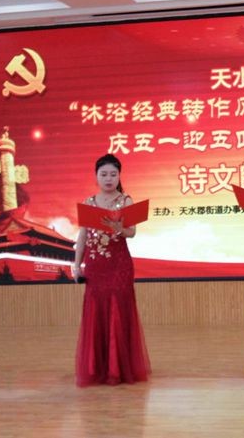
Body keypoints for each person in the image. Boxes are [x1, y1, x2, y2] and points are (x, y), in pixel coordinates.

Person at [72, 154, 150, 386]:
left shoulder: (125, 200)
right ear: (96, 176)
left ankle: (119, 367)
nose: (108, 178)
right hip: (95, 266)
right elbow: (83, 236)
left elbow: (132, 232)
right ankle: (97, 367)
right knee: (96, 311)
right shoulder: (89, 202)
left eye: (113, 174)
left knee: (118, 309)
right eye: (104, 174)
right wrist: (77, 265)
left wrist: (119, 228)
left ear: (119, 176)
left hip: (119, 265)